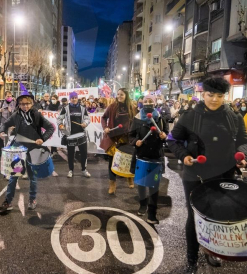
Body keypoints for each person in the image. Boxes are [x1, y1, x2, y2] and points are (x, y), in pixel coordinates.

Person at [167, 77, 247, 273]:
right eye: (211, 95)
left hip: (224, 174)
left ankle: (211, 250)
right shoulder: (189, 116)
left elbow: (243, 141)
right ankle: (191, 260)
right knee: (195, 217)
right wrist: (184, 155)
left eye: (219, 96)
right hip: (196, 174)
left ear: (224, 96)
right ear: (203, 94)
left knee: (217, 215)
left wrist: (242, 154)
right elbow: (172, 140)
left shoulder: (233, 116)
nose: (214, 100)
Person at [0, 91, 55, 212]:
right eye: (22, 104)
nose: (25, 106)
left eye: (27, 104)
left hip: (33, 149)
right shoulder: (16, 115)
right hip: (18, 148)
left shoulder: (37, 115)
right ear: (19, 104)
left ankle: (32, 199)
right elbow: (5, 123)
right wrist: (2, 131)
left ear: (32, 103)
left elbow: (51, 127)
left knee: (32, 177)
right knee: (14, 176)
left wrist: (42, 138)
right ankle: (8, 201)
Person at [129, 95, 168, 224]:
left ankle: (152, 213)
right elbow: (131, 136)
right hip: (141, 154)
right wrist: (136, 142)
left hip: (156, 155)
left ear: (155, 103)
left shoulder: (160, 118)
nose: (148, 103)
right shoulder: (137, 118)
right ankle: (142, 205)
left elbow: (167, 134)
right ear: (142, 103)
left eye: (151, 101)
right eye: (146, 101)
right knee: (141, 184)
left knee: (154, 185)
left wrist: (164, 136)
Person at [100, 88, 136, 194]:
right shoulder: (112, 107)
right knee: (112, 161)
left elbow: (136, 121)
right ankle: (112, 183)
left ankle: (129, 177)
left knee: (127, 160)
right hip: (114, 137)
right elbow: (103, 118)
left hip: (126, 138)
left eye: (122, 95)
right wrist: (105, 127)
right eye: (118, 94)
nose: (119, 96)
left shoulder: (132, 108)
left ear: (126, 96)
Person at [57, 91, 91, 178]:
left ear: (77, 98)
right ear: (70, 99)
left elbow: (87, 118)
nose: (74, 99)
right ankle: (70, 170)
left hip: (81, 134)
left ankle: (84, 170)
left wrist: (85, 123)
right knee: (71, 154)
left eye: (75, 97)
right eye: (72, 98)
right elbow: (59, 119)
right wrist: (61, 125)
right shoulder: (65, 108)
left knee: (84, 153)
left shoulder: (83, 108)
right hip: (70, 135)